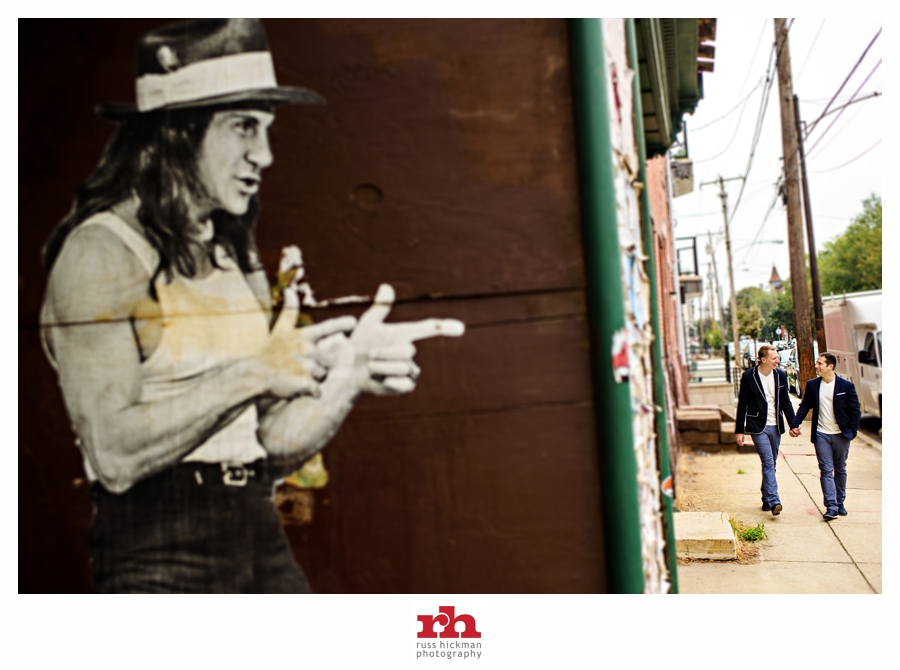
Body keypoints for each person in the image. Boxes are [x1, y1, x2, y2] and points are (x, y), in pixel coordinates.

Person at [39, 19, 462, 592]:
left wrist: (348, 379)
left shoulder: (231, 253)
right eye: (243, 127)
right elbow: (114, 456)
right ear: (177, 132)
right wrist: (252, 371)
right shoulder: (100, 252)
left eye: (266, 130)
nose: (263, 155)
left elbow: (267, 444)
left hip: (254, 528)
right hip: (156, 548)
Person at [789, 353, 861, 521]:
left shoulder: (846, 386)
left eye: (820, 363)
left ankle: (840, 502)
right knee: (826, 469)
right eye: (817, 363)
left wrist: (853, 432)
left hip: (841, 435)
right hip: (821, 434)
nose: (816, 366)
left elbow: (855, 411)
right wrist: (795, 423)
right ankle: (831, 506)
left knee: (840, 469)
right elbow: (805, 405)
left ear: (830, 366)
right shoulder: (813, 385)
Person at [734, 345, 796, 516]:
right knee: (768, 462)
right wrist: (739, 430)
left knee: (772, 464)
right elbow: (742, 404)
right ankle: (775, 500)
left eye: (777, 357)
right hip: (757, 426)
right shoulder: (749, 376)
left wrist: (793, 424)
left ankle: (766, 498)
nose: (778, 360)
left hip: (776, 425)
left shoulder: (780, 375)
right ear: (763, 360)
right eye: (774, 358)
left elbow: (785, 402)